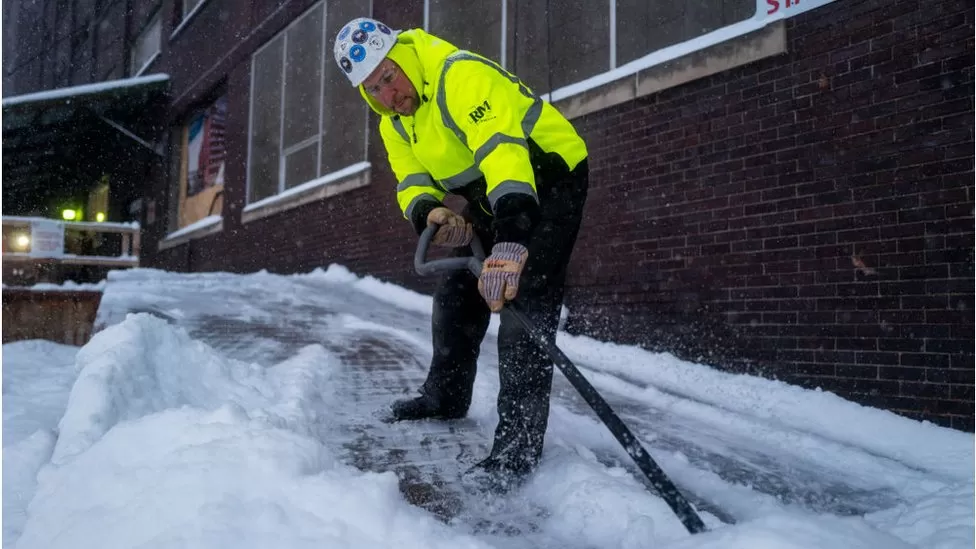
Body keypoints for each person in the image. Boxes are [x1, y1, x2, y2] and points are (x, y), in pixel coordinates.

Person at [334, 17, 589, 484]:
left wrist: (512, 243)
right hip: (489, 193)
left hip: (547, 176)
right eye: (373, 90)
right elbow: (410, 180)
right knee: (457, 288)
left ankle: (517, 449)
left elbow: (503, 156)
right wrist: (429, 212)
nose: (388, 95)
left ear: (403, 57)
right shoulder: (395, 120)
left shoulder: (459, 75)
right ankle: (444, 397)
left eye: (389, 78)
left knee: (523, 292)